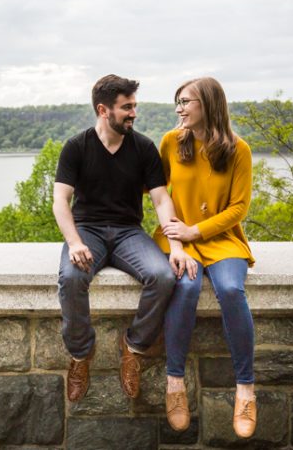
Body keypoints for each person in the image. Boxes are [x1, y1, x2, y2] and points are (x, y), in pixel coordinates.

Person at [55, 74, 192, 403]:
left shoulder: (143, 147)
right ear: (104, 110)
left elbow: (161, 200)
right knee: (72, 278)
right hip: (88, 231)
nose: (134, 113)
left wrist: (175, 247)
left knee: (162, 276)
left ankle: (133, 348)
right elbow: (61, 201)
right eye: (126, 107)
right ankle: (80, 355)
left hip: (130, 232)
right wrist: (75, 243)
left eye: (134, 106)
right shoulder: (77, 146)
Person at [154, 77, 257, 438]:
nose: (180, 108)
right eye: (177, 102)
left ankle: (245, 388)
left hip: (221, 239)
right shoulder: (170, 142)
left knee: (230, 289)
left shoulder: (238, 150)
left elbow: (239, 208)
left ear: (209, 104)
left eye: (186, 101)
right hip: (177, 240)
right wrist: (178, 237)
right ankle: (175, 382)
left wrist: (195, 231)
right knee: (185, 288)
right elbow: (157, 196)